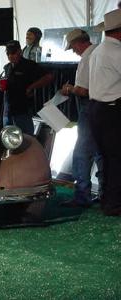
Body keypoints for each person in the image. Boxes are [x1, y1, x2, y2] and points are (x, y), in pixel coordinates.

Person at [60, 29, 103, 208]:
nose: (73, 51)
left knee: (81, 153)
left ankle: (82, 195)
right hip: (103, 108)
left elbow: (84, 90)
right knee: (101, 153)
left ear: (79, 43)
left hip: (88, 107)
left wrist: (70, 89)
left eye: (73, 47)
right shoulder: (100, 52)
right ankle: (105, 193)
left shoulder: (86, 58)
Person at [89, 9, 121, 216]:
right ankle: (114, 203)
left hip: (97, 109)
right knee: (117, 159)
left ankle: (107, 199)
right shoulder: (117, 53)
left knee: (108, 158)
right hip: (112, 110)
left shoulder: (98, 51)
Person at [1, 40, 53, 135]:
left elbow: (48, 77)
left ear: (20, 52)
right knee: (8, 137)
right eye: (8, 53)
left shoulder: (29, 65)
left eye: (13, 53)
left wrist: (31, 87)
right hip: (8, 108)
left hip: (22, 107)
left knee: (26, 136)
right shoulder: (7, 67)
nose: (10, 56)